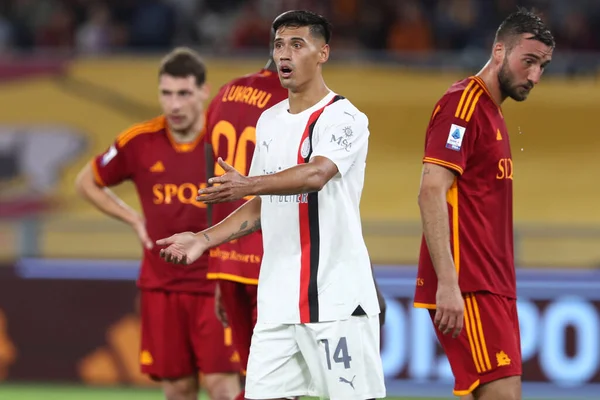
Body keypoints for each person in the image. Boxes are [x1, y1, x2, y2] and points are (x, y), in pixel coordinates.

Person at [157, 10, 386, 400]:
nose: (285, 54)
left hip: (336, 300)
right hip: (277, 303)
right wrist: (203, 239)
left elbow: (316, 175)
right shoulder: (269, 120)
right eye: (279, 45)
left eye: (298, 45)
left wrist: (248, 183)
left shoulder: (345, 118)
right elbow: (261, 206)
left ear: (323, 53)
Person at [75, 47, 241, 400]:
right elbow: (85, 183)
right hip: (162, 286)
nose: (174, 104)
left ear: (203, 91)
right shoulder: (139, 142)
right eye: (166, 94)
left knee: (223, 385)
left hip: (216, 284)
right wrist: (133, 218)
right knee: (177, 388)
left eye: (183, 93)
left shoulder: (225, 141)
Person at [414, 8, 554, 400]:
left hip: (493, 284)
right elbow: (430, 191)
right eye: (528, 61)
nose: (535, 76)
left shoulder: (491, 113)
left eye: (542, 66)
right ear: (498, 51)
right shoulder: (463, 105)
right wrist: (448, 283)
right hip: (469, 283)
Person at [203, 47, 288, 400]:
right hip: (275, 260)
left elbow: (210, 182)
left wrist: (218, 262)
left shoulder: (224, 93)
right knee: (280, 385)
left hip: (229, 260)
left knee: (256, 380)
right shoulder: (291, 100)